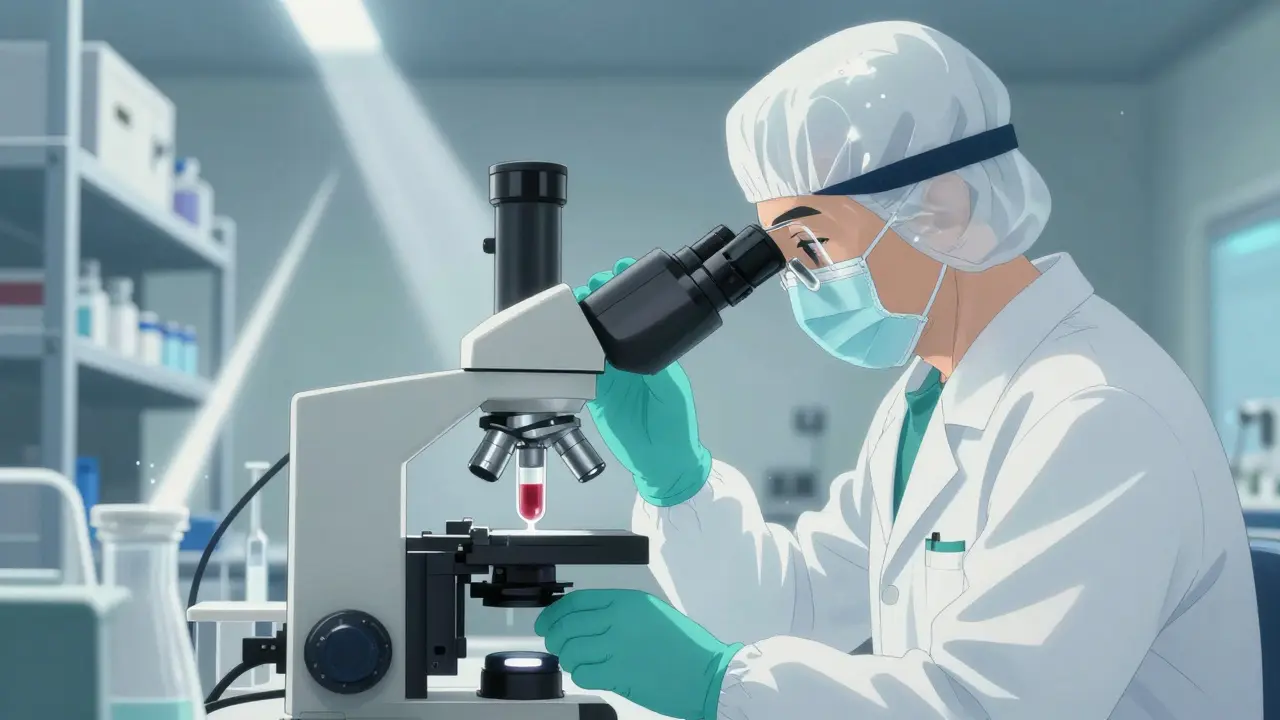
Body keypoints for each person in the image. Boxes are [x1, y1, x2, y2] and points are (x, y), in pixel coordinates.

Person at [534, 20, 1263, 720]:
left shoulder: (1097, 410)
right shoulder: (933, 393)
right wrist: (680, 481)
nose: (798, 281)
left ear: (943, 208)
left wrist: (715, 685)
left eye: (809, 244)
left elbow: (992, 708)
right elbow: (796, 612)